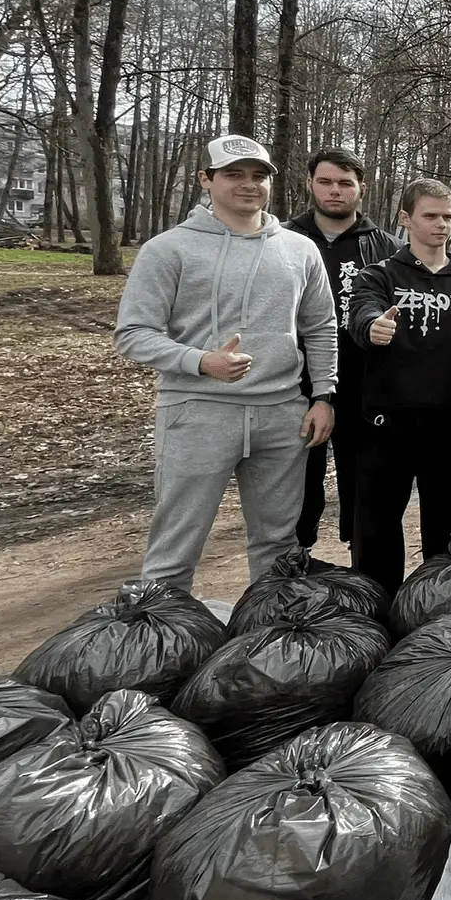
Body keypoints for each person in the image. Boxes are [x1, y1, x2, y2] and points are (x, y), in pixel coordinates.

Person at [114, 134, 338, 590]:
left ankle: (267, 633)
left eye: (258, 176)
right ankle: (160, 643)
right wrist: (200, 361)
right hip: (197, 411)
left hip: (282, 416)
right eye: (234, 174)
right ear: (206, 180)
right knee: (178, 542)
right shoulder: (168, 249)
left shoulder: (299, 249)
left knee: (278, 544)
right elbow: (133, 334)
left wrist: (323, 395)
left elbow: (320, 328)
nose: (248, 185)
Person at [346, 178, 451, 591]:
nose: (441, 225)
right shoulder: (380, 275)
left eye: (447, 216)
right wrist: (371, 326)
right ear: (405, 219)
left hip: (450, 427)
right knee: (376, 525)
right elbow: (361, 312)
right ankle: (378, 607)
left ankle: (436, 607)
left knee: (447, 530)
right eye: (430, 216)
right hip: (386, 422)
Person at [284, 146, 400, 553]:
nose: (335, 191)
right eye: (326, 182)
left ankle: (361, 562)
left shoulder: (386, 248)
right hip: (296, 380)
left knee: (362, 477)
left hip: (364, 381)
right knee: (297, 477)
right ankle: (296, 558)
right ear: (311, 184)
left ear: (361, 189)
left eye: (345, 184)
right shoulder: (285, 239)